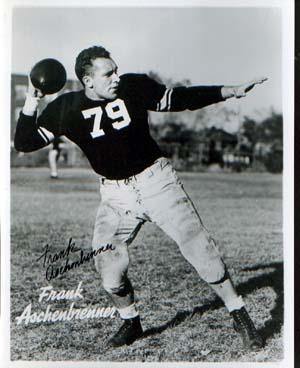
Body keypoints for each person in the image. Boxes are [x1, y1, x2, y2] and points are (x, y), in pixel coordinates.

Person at [14, 45, 267, 351]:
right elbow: (25, 143)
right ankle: (130, 320)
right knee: (107, 266)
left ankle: (239, 314)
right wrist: (32, 98)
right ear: (88, 80)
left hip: (157, 182)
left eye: (116, 69)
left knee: (201, 250)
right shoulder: (66, 107)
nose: (116, 77)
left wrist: (230, 91)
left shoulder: (132, 86)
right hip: (115, 195)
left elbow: (180, 99)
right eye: (108, 73)